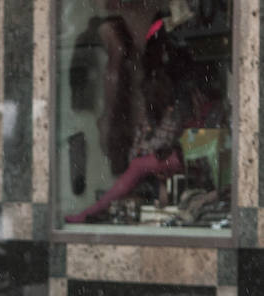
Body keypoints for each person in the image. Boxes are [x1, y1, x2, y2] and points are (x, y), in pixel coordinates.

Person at [65, 17, 192, 223]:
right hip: (158, 159)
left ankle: (92, 212)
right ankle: (95, 210)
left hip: (171, 159)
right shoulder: (151, 118)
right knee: (135, 168)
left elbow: (157, 145)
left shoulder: (169, 112)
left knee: (136, 168)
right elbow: (140, 148)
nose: (148, 96)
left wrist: (145, 151)